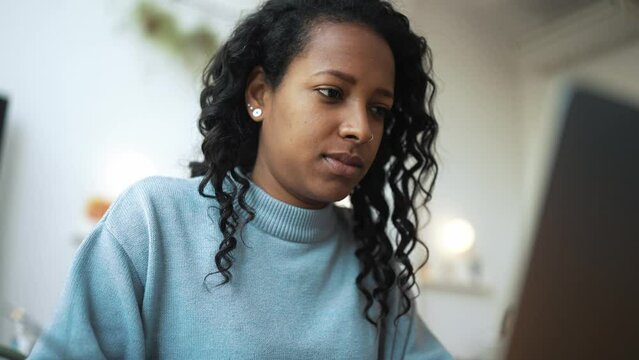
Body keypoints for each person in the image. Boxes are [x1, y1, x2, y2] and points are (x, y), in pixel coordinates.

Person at [28, 0, 452, 359]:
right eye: (331, 93)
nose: (361, 128)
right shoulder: (152, 223)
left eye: (379, 108)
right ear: (259, 95)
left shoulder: (376, 272)